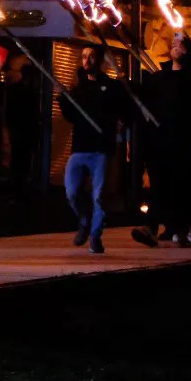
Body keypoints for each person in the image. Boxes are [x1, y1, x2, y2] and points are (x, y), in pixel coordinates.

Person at [134, 33, 191, 248]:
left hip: (182, 140)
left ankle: (181, 230)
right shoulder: (160, 77)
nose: (175, 46)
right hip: (160, 140)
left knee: (180, 187)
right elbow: (143, 96)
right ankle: (151, 228)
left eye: (181, 44)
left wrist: (189, 56)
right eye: (175, 44)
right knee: (158, 185)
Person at [65, 46, 128, 253]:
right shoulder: (77, 88)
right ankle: (84, 221)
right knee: (72, 192)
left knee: (99, 195)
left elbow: (122, 108)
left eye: (91, 56)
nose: (87, 60)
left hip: (101, 149)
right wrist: (65, 100)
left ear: (99, 60)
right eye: (83, 56)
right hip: (79, 148)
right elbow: (70, 116)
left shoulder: (110, 86)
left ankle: (95, 235)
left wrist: (124, 86)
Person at [4, 60, 44, 192]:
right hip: (22, 132)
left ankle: (18, 189)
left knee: (20, 161)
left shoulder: (25, 91)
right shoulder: (27, 92)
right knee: (20, 161)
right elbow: (11, 112)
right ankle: (17, 189)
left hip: (23, 132)